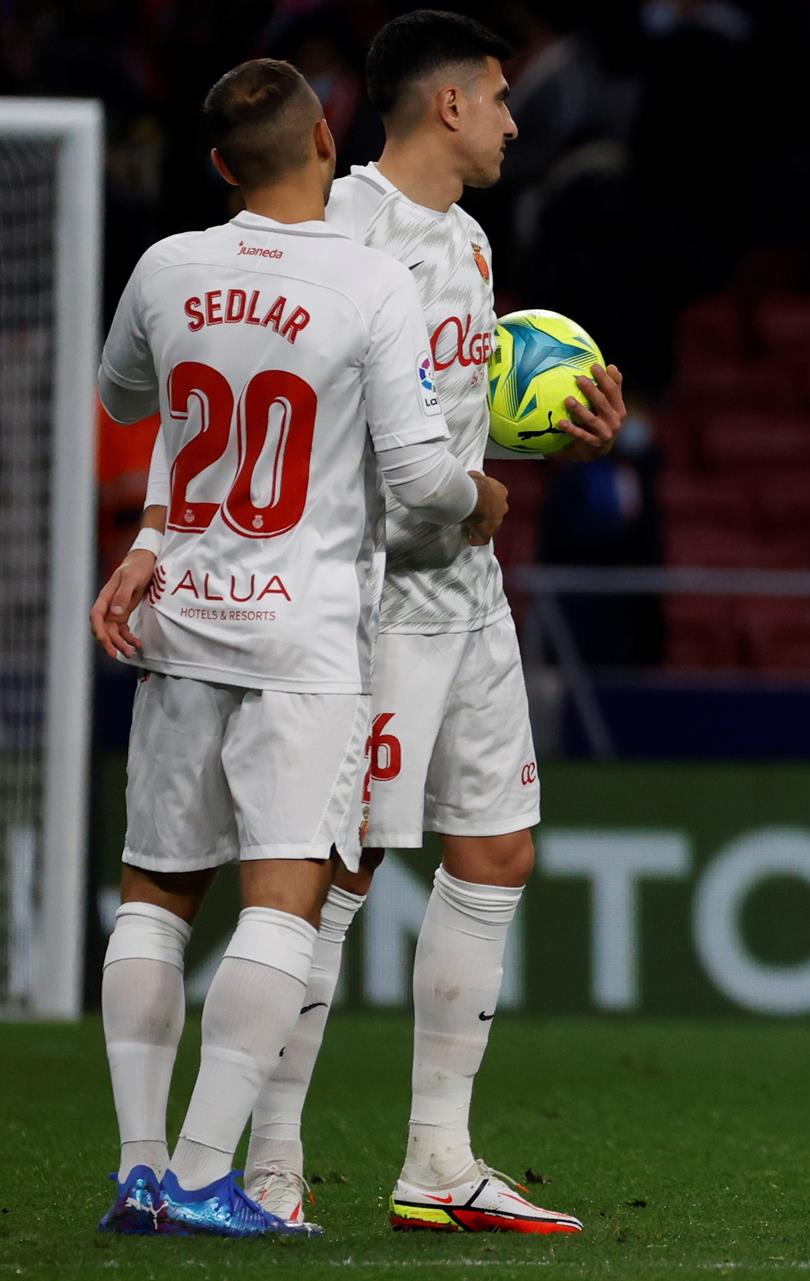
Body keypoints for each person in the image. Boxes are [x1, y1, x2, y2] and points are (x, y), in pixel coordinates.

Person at [104, 11, 623, 1234]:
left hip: (469, 594)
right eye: (498, 97)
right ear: (445, 105)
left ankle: (438, 1160)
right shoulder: (340, 233)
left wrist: (541, 426)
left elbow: (425, 416)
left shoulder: (473, 241)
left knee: (497, 851)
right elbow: (269, 414)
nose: (512, 117)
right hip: (365, 602)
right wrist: (156, 534)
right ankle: (268, 1167)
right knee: (335, 875)